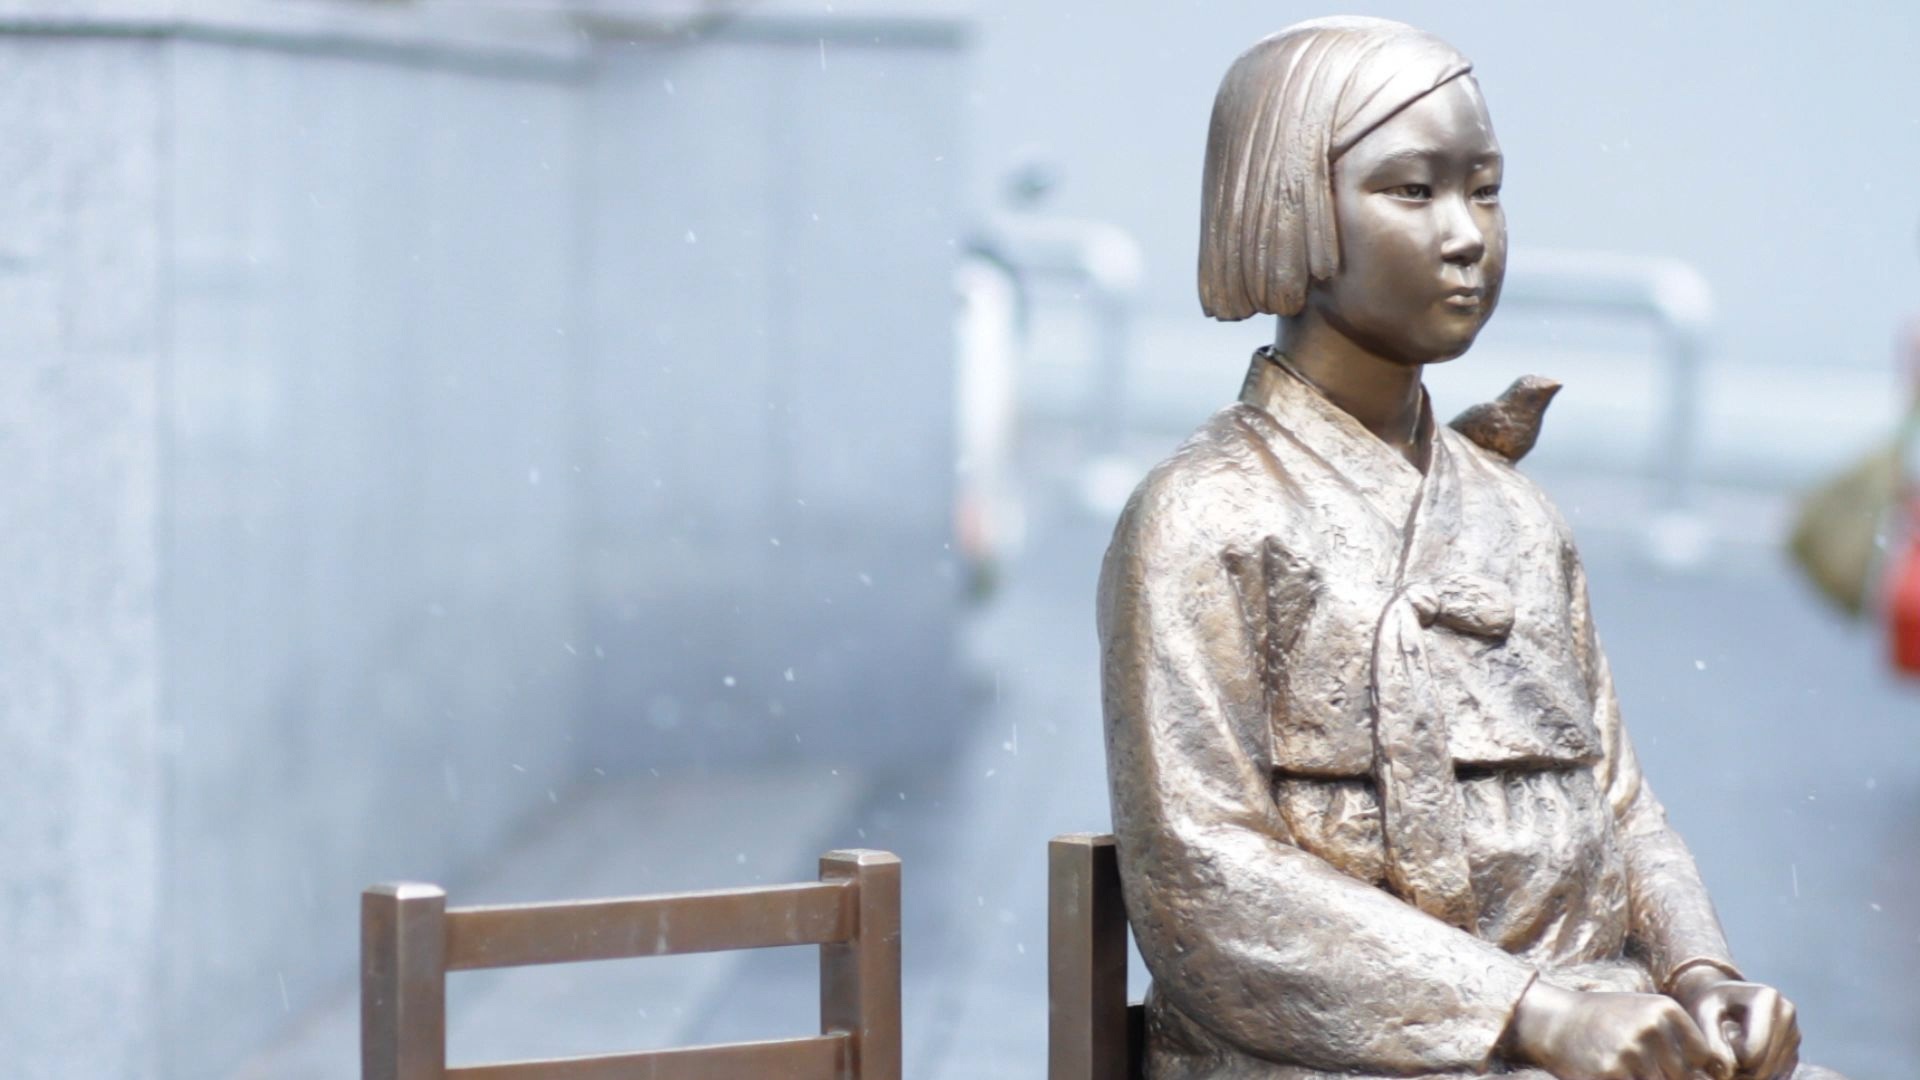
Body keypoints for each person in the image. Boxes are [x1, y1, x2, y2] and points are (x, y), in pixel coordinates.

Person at [1097, 18, 1841, 1080]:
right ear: (1292, 209)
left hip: (1596, 1024)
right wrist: (1525, 1013)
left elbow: (1620, 802)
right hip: (1329, 1056)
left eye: (1484, 189)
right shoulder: (1201, 516)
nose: (1468, 235)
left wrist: (1701, 975)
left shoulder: (1518, 516)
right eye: (1414, 191)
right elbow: (1201, 879)